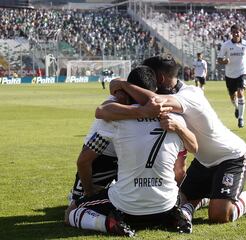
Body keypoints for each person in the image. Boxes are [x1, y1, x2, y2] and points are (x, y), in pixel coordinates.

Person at [100, 54, 246, 231]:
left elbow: (153, 102)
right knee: (178, 203)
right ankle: (210, 195)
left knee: (219, 216)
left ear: (160, 78)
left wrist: (125, 85)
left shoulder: (189, 94)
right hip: (204, 161)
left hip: (230, 157)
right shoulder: (175, 96)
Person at [65, 65, 198, 236]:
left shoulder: (114, 120)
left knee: (72, 211)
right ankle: (180, 215)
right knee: (184, 198)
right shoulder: (176, 119)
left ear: (127, 91)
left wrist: (89, 193)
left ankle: (108, 224)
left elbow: (84, 159)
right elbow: (190, 154)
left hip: (127, 205)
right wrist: (179, 129)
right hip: (165, 203)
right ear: (156, 89)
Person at [217, 24, 246, 128]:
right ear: (231, 33)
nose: (236, 33)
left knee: (240, 92)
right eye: (234, 32)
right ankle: (237, 107)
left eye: (238, 31)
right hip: (230, 74)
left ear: (241, 32)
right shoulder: (226, 45)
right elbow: (219, 59)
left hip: (242, 73)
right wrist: (224, 61)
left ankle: (241, 118)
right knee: (232, 96)